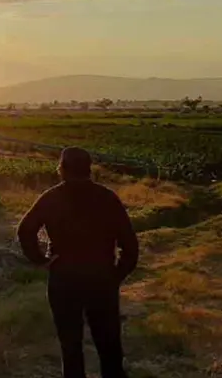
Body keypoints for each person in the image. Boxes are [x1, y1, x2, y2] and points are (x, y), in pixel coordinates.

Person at [17, 147, 139, 378]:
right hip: (101, 277)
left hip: (64, 278)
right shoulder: (107, 197)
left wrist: (41, 259)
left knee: (70, 346)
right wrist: (116, 275)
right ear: (89, 169)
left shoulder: (51, 197)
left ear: (62, 169)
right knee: (109, 345)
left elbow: (25, 230)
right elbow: (131, 247)